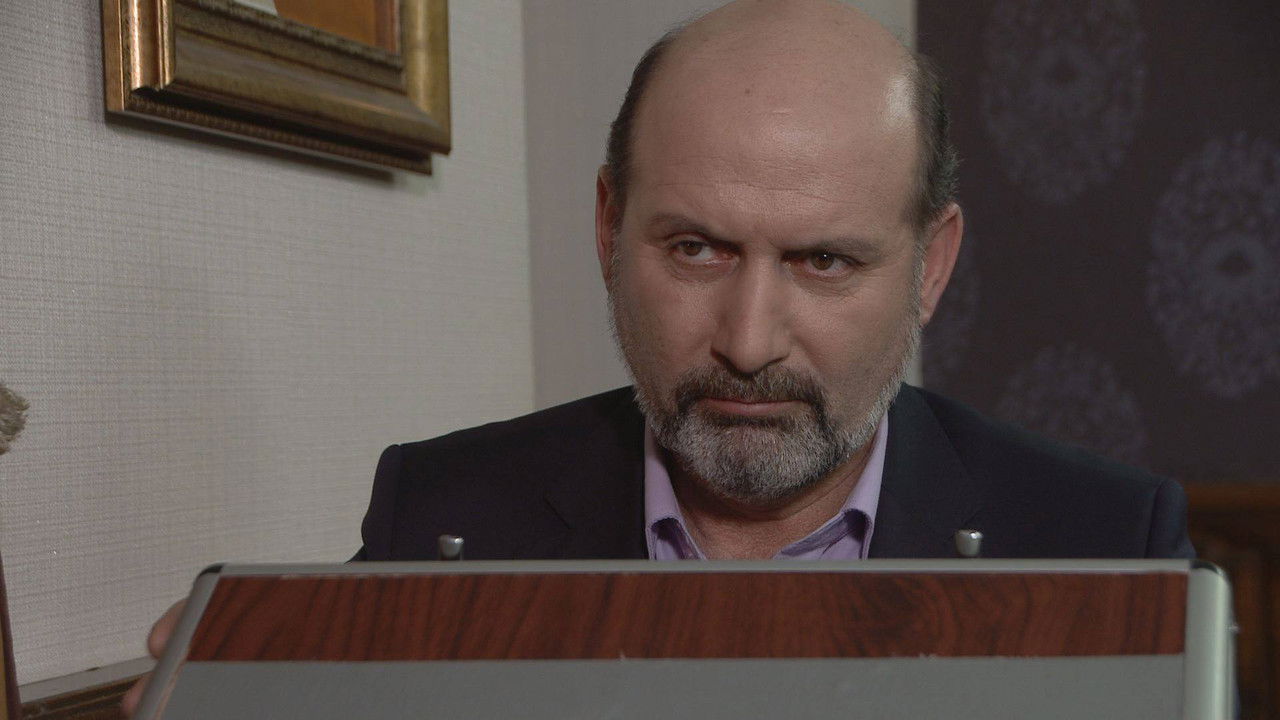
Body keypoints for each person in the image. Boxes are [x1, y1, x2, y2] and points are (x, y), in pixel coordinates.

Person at [123, 0, 1192, 713]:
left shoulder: (1103, 543)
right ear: (608, 228)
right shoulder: (444, 515)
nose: (747, 341)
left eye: (823, 261)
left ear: (930, 265)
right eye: (694, 249)